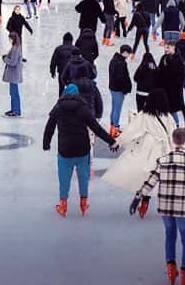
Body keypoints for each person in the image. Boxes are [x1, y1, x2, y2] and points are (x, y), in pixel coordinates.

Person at [130, 128, 185, 285]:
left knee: (170, 236)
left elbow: (150, 181)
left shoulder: (163, 161)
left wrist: (138, 196)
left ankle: (171, 270)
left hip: (166, 207)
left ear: (173, 141)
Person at [43, 84, 120, 218]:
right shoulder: (83, 109)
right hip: (82, 149)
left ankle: (63, 204)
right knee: (83, 177)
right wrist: (111, 141)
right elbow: (97, 128)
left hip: (65, 150)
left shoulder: (58, 108)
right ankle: (83, 203)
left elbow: (49, 127)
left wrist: (46, 143)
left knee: (64, 178)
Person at [103, 88, 175, 195]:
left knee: (143, 173)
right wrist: (174, 150)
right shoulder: (168, 117)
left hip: (147, 147)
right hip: (163, 149)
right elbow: (172, 135)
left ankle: (143, 196)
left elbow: (132, 130)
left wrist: (118, 142)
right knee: (160, 174)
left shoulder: (144, 115)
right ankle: (153, 196)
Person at [157, 38, 185, 126]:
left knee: (181, 105)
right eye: (165, 47)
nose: (166, 49)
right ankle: (175, 124)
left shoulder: (179, 58)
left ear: (173, 47)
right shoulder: (164, 58)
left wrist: (181, 85)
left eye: (168, 47)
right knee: (170, 107)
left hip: (176, 87)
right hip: (166, 87)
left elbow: (183, 73)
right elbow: (160, 71)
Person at [108, 45, 133, 137]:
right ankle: (115, 128)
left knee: (114, 107)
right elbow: (121, 78)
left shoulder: (113, 60)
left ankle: (112, 128)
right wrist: (124, 89)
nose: (128, 56)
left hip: (112, 87)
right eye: (128, 53)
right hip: (118, 89)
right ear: (125, 52)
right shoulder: (121, 63)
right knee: (117, 109)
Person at [2, 31, 24, 117]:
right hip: (14, 74)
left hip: (14, 75)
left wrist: (5, 59)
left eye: (10, 38)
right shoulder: (16, 47)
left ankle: (16, 110)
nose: (9, 40)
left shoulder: (15, 48)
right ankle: (14, 109)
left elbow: (13, 62)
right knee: (13, 93)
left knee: (14, 93)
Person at [49, 32, 78, 97]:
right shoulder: (75, 49)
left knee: (61, 88)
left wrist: (52, 71)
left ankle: (61, 102)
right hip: (72, 73)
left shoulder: (58, 49)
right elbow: (79, 61)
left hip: (62, 71)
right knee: (72, 88)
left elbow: (53, 61)